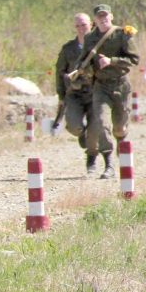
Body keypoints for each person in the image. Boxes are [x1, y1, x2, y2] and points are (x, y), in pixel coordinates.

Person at [76, 4, 140, 179]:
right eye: (99, 16)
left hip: (121, 85)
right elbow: (84, 60)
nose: (103, 19)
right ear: (95, 20)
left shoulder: (122, 34)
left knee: (119, 126)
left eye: (105, 16)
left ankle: (121, 138)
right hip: (101, 86)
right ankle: (109, 163)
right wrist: (78, 71)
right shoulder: (90, 38)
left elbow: (134, 60)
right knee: (101, 122)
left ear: (111, 16)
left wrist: (112, 61)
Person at [55, 12, 108, 173]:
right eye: (77, 26)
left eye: (83, 25)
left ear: (91, 24)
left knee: (96, 128)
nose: (80, 29)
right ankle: (81, 134)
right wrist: (61, 95)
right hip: (75, 95)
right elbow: (59, 72)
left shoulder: (101, 45)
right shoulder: (68, 49)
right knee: (73, 126)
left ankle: (91, 160)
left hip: (96, 94)